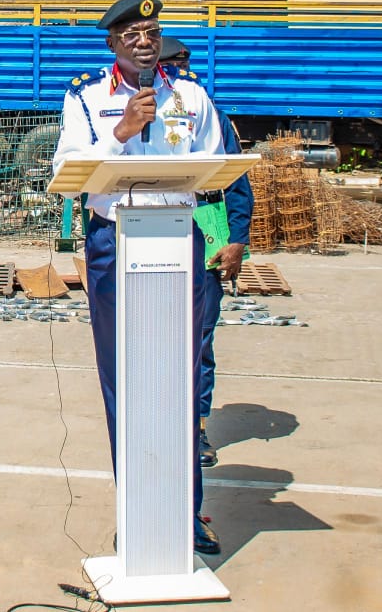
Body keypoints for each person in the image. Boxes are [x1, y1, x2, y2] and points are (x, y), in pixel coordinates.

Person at [53, 0, 226, 556]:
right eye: (131, 33)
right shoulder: (84, 98)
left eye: (151, 31)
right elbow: (67, 172)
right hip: (113, 244)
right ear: (113, 43)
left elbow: (215, 165)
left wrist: (225, 237)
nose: (144, 40)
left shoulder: (193, 97)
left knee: (178, 377)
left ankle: (186, 512)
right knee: (123, 383)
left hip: (178, 238)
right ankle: (138, 510)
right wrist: (122, 131)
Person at [159, 37, 252, 468]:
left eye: (184, 66)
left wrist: (237, 241)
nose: (181, 74)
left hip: (206, 227)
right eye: (171, 66)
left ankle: (195, 428)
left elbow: (235, 180)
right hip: (152, 234)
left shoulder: (209, 115)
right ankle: (156, 420)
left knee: (199, 337)